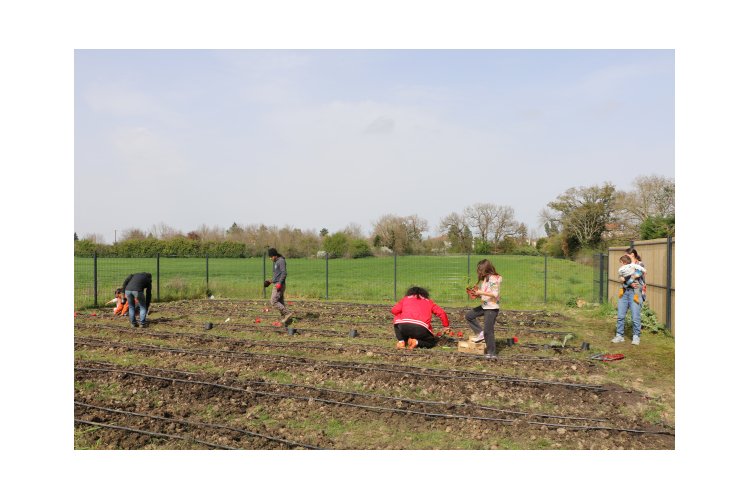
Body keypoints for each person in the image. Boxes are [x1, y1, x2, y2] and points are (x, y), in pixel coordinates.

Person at [465, 259, 502, 360]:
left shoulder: (495, 279)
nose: (479, 272)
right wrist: (476, 295)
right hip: (485, 305)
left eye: (480, 270)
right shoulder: (486, 279)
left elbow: (495, 294)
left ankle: (492, 353)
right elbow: (485, 293)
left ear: (486, 269)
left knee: (488, 331)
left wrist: (480, 292)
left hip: (492, 308)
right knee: (469, 316)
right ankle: (480, 333)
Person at [612, 252, 643, 345]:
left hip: (634, 294)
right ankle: (619, 335)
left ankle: (636, 336)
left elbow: (637, 274)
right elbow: (621, 279)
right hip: (624, 293)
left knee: (635, 316)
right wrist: (628, 282)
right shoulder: (623, 270)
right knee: (620, 316)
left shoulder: (638, 266)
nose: (621, 264)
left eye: (629, 255)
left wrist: (627, 280)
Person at [265, 248, 293, 325]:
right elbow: (277, 275)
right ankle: (285, 319)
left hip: (279, 285)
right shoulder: (277, 262)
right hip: (277, 283)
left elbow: (284, 273)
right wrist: (270, 281)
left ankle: (287, 313)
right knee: (280, 302)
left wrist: (279, 283)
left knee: (273, 301)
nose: (270, 258)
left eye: (271, 257)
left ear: (275, 255)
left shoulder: (281, 261)